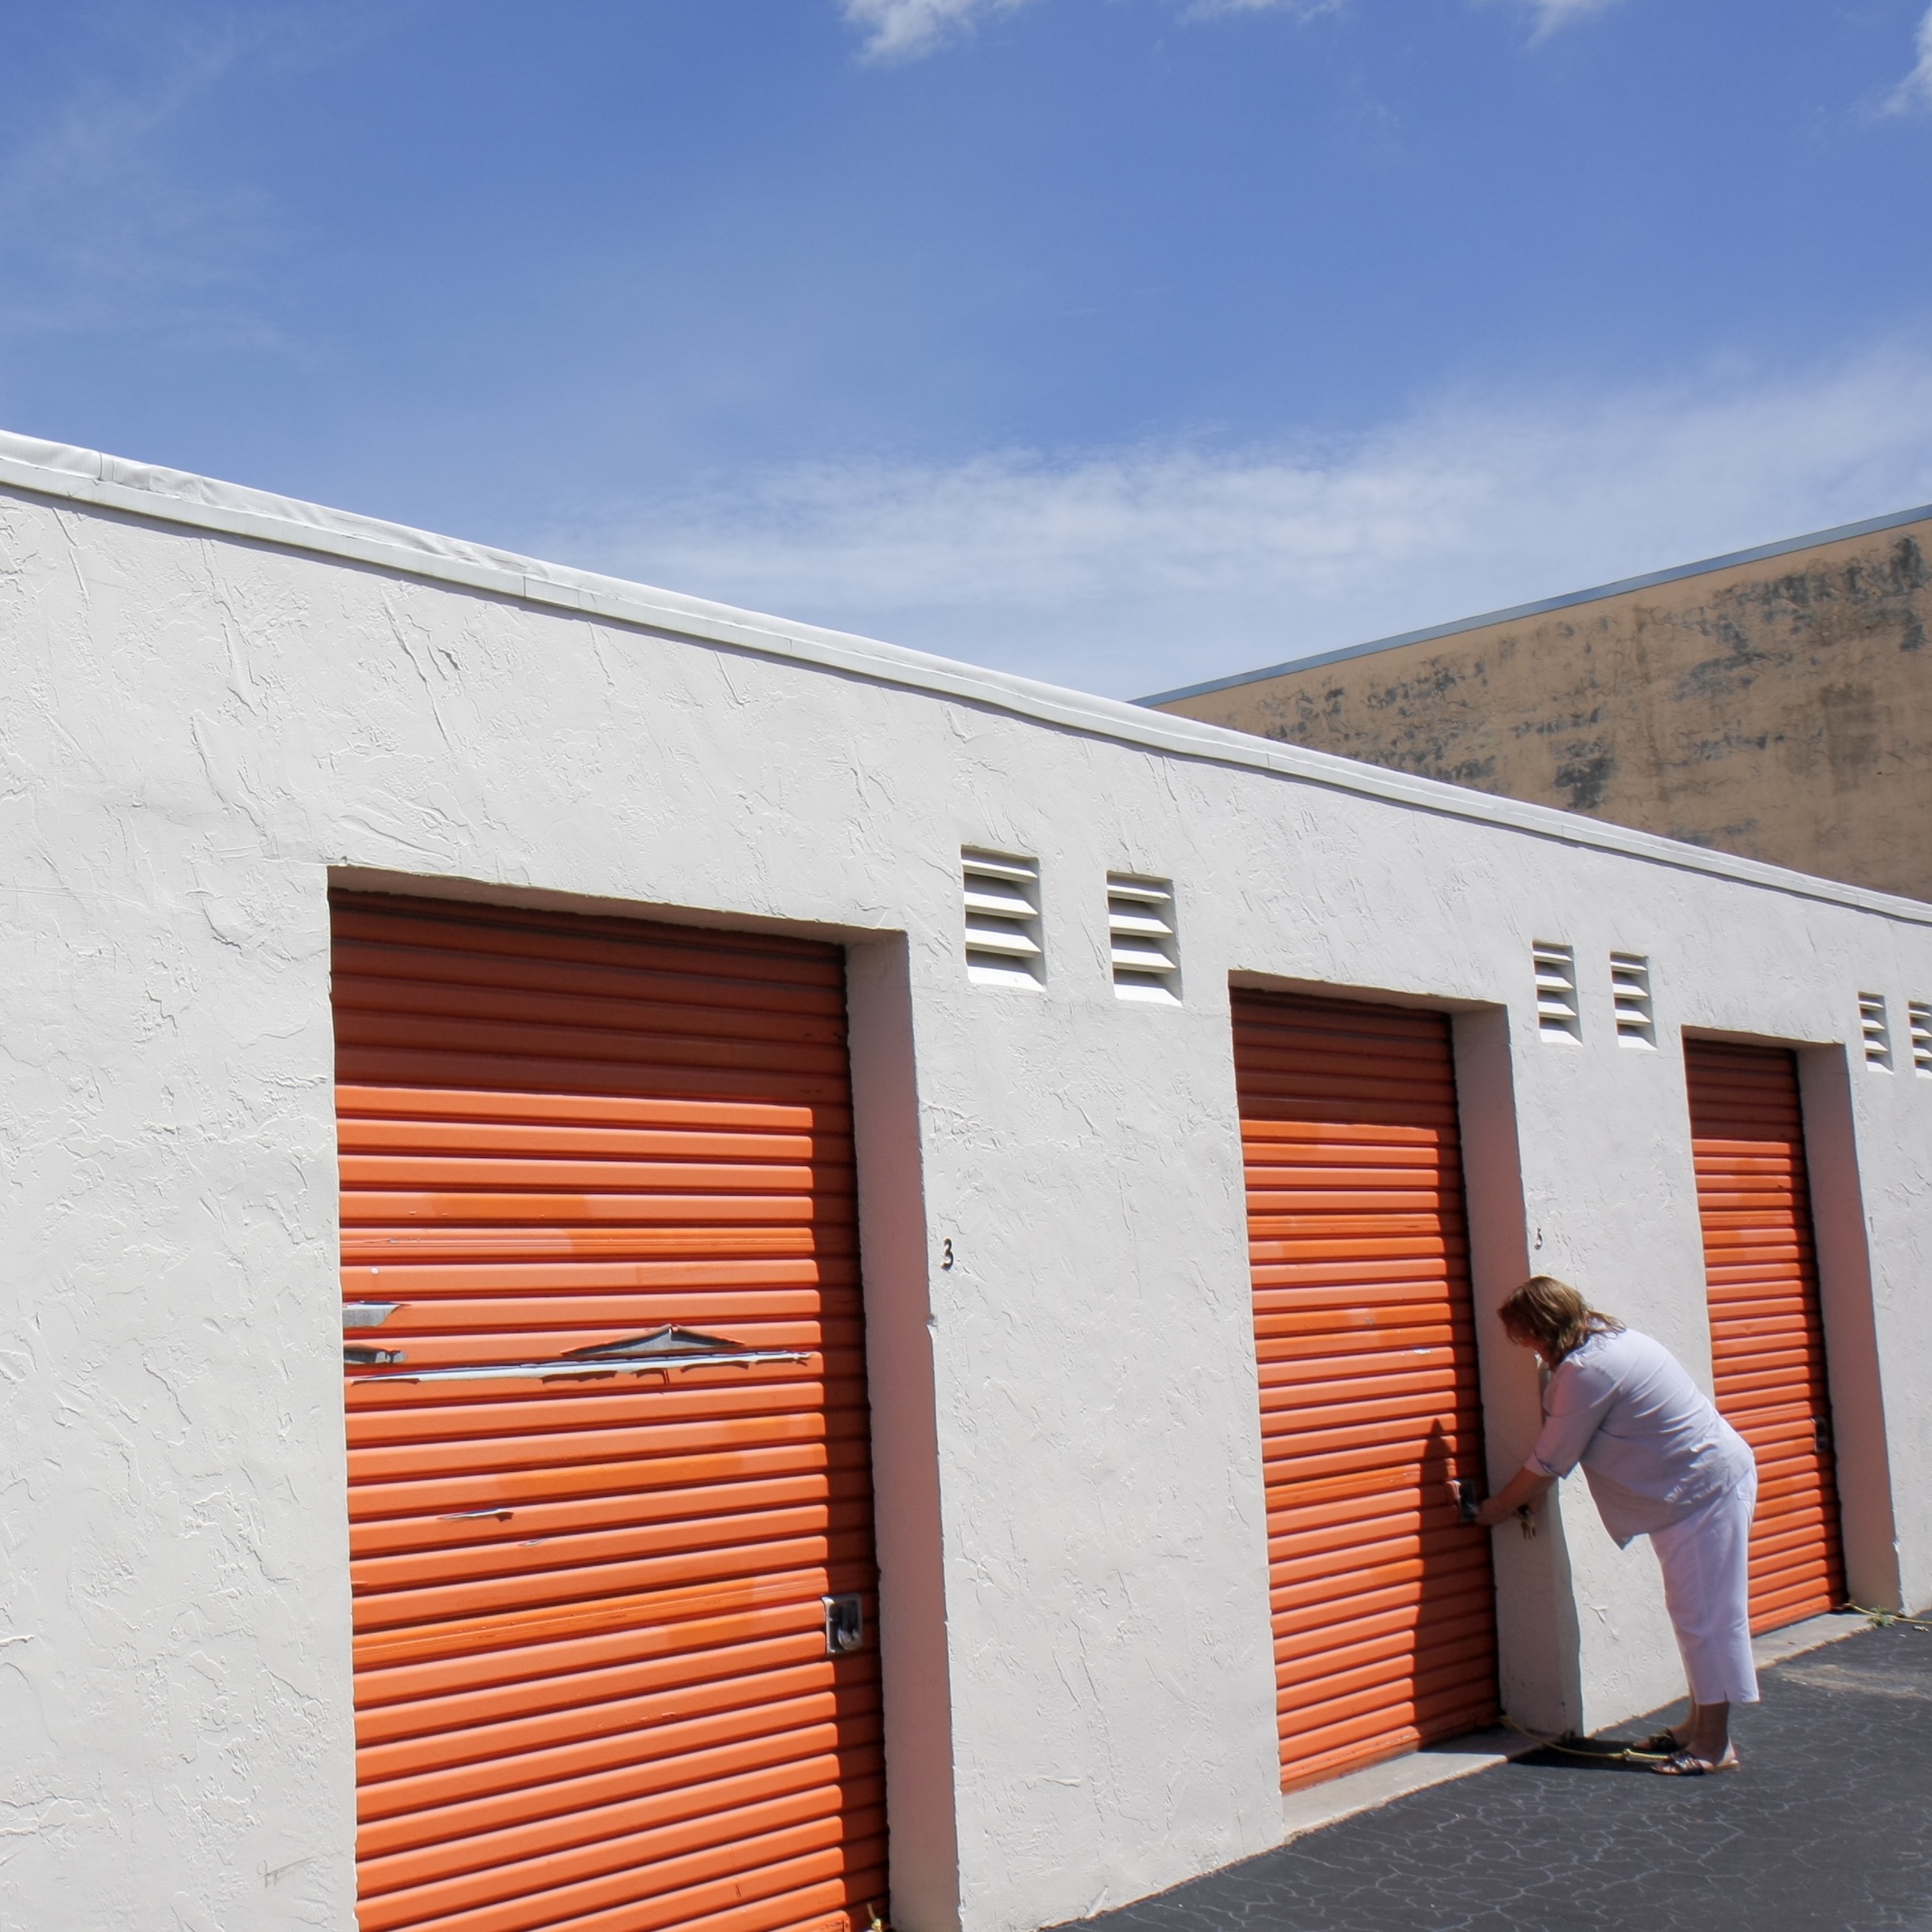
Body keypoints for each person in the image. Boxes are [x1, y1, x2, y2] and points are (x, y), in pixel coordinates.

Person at [1464, 1275, 1759, 1775]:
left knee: (1710, 1618)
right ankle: (1696, 1726)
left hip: (1703, 1492)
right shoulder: (1608, 1341)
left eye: (1525, 1335)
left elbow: (1550, 1461)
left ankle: (1713, 1747)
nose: (1525, 1347)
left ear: (1543, 1328)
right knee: (1694, 1615)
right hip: (1693, 1490)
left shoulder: (1588, 1371)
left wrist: (1494, 1508)